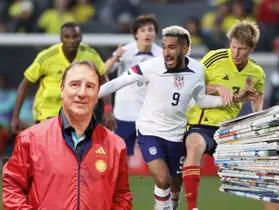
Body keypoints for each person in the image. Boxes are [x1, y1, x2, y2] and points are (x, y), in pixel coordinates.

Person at [98, 25, 255, 210]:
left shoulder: (197, 70)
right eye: (164, 47)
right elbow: (118, 82)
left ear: (186, 48)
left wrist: (233, 99)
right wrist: (92, 96)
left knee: (175, 185)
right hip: (150, 132)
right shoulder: (151, 66)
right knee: (163, 180)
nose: (166, 52)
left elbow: (200, 99)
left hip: (177, 134)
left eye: (172, 47)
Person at [3, 61, 132, 209]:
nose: (82, 93)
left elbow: (122, 196)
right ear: (62, 89)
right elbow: (13, 187)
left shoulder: (116, 145)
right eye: (75, 84)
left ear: (97, 95)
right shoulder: (30, 139)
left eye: (90, 86)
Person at [183, 21, 279, 210]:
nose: (235, 52)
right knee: (194, 145)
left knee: (267, 170)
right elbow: (192, 87)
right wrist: (218, 87)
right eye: (233, 46)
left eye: (241, 49)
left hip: (228, 131)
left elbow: (257, 101)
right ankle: (191, 207)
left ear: (251, 48)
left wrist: (259, 121)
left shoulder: (257, 73)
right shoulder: (214, 58)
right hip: (200, 124)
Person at [11, 22, 106, 133]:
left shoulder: (91, 55)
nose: (71, 40)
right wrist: (15, 116)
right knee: (51, 148)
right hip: (49, 112)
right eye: (67, 37)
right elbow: (25, 85)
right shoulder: (47, 57)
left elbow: (104, 81)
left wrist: (108, 110)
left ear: (81, 38)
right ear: (61, 38)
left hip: (78, 112)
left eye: (75, 36)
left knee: (77, 149)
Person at [105, 14, 162, 157]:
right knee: (121, 156)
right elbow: (104, 71)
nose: (147, 33)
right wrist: (115, 57)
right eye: (143, 30)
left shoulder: (161, 55)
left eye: (150, 29)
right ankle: (120, 180)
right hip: (124, 112)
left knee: (156, 156)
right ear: (136, 34)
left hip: (149, 115)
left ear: (155, 33)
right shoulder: (125, 51)